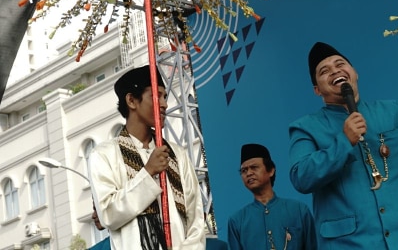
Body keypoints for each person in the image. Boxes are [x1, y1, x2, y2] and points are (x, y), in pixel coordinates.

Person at [288, 42, 398, 249]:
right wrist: (344, 141)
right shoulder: (306, 127)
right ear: (317, 90)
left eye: (340, 64)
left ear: (355, 73)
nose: (335, 70)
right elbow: (301, 177)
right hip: (349, 244)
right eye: (324, 71)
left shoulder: (392, 111)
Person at [88, 65, 205, 250]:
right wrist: (148, 172)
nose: (165, 104)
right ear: (132, 101)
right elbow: (108, 215)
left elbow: (196, 220)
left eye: (165, 96)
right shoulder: (104, 155)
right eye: (156, 96)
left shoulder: (177, 155)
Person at [228, 143, 318, 250]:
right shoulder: (237, 221)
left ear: (271, 170)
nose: (249, 173)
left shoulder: (299, 211)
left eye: (254, 167)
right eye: (244, 170)